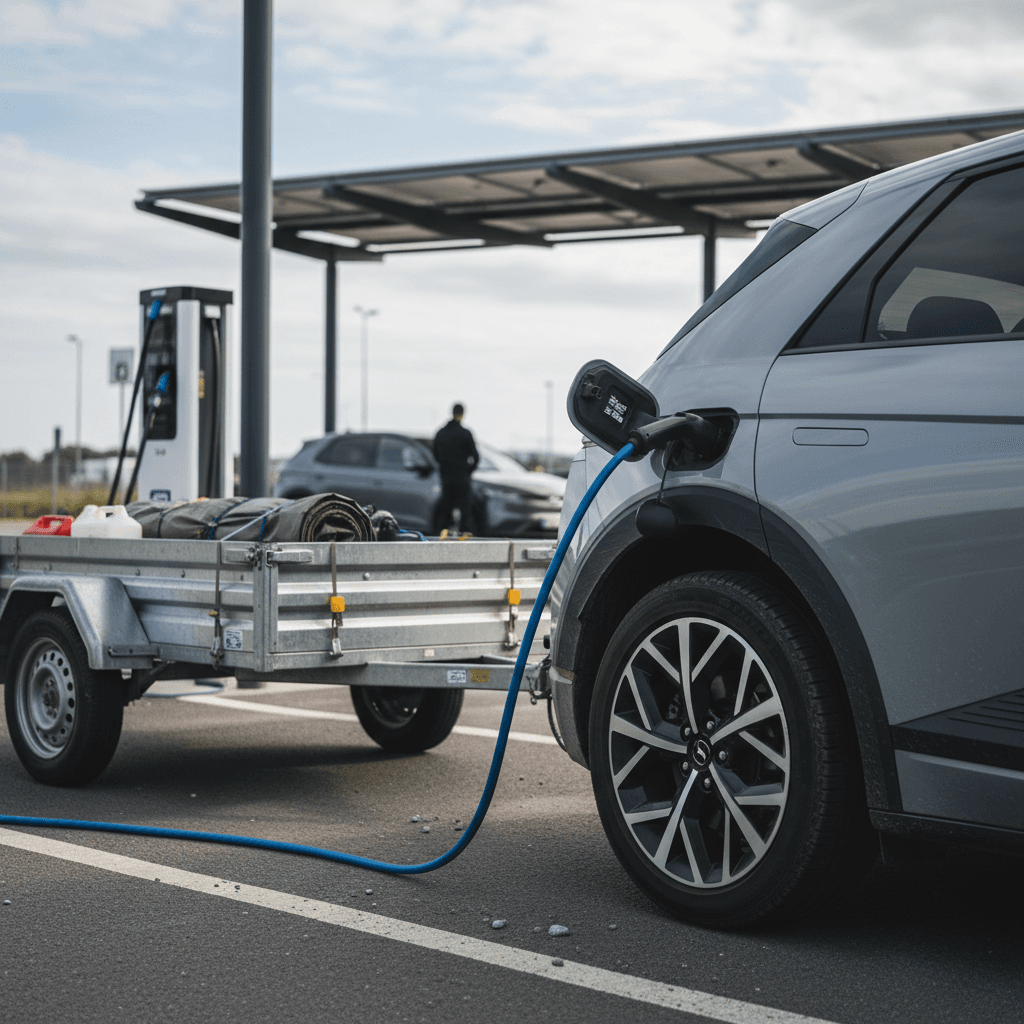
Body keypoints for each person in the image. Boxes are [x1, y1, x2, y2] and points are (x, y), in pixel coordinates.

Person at [432, 403, 479, 534]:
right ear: (463, 414)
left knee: (446, 510)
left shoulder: (441, 433)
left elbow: (435, 454)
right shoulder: (465, 433)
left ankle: (443, 536)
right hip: (462, 477)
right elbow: (475, 456)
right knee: (465, 511)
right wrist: (468, 471)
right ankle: (464, 537)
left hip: (446, 477)